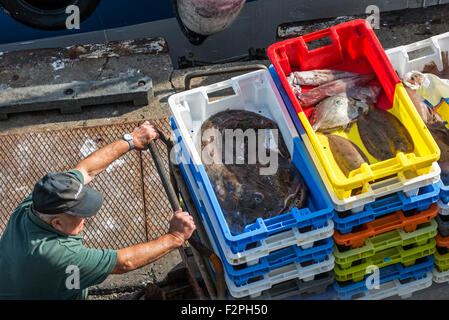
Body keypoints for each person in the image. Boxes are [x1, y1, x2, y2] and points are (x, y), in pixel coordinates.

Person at [0, 121, 196, 300]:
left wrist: (131, 140)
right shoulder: (59, 255)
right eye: (78, 214)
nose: (85, 219)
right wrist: (175, 237)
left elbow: (86, 170)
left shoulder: (38, 203)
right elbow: (124, 263)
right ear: (57, 223)